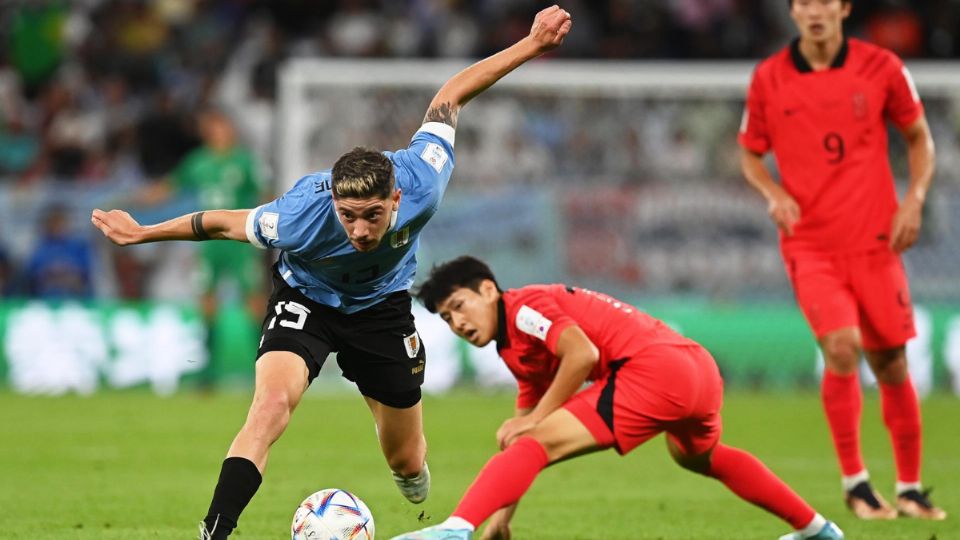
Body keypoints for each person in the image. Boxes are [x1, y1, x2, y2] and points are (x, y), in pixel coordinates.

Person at [90, 6, 573, 539]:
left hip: (382, 309)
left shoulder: (423, 181)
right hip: (307, 300)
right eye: (349, 216)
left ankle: (408, 472)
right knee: (269, 408)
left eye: (372, 215)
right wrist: (143, 232)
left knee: (408, 462)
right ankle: (215, 530)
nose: (361, 230)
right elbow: (222, 223)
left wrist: (530, 47)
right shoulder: (299, 217)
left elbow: (451, 94)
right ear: (335, 205)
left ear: (394, 199)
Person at [391, 256, 844, 540]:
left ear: (488, 290)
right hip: (696, 370)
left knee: (537, 439)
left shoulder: (525, 308)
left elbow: (582, 355)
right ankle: (817, 529)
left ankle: (452, 530)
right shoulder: (514, 345)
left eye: (460, 307)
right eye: (448, 319)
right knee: (698, 457)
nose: (458, 323)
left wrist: (537, 422)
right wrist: (502, 518)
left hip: (653, 371)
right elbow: (521, 435)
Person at [738, 0, 945, 522]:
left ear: (844, 7)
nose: (815, 11)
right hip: (810, 243)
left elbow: (920, 138)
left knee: (891, 361)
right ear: (792, 12)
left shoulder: (883, 67)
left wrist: (914, 199)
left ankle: (911, 488)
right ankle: (856, 483)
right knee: (842, 346)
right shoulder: (769, 78)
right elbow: (749, 153)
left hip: (876, 240)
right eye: (803, 2)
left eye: (824, 0)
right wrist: (773, 193)